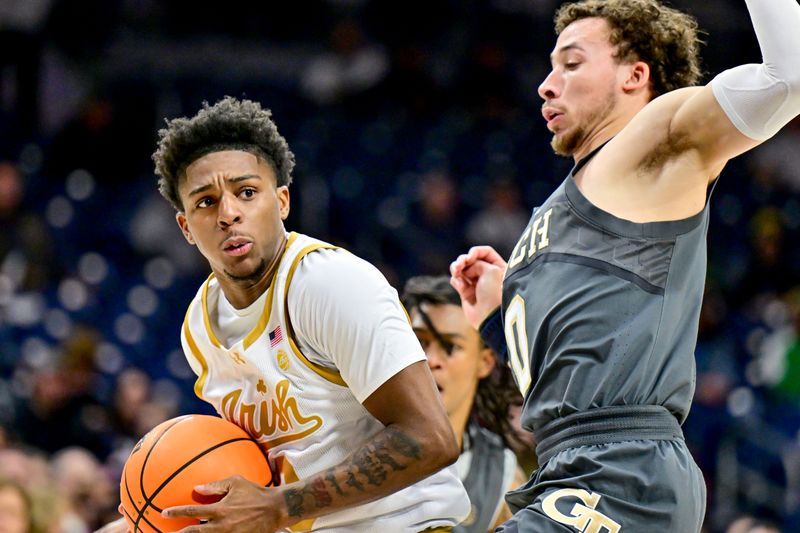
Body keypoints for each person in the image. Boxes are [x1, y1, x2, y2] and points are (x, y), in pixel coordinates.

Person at [449, 0, 800, 531]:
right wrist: (504, 307)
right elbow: (569, 375)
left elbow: (789, 77)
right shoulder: (556, 211)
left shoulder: (650, 141)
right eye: (549, 67)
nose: (546, 85)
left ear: (636, 75)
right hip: (568, 471)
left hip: (622, 473)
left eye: (571, 63)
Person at [99, 96, 469, 532]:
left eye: (247, 192)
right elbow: (254, 473)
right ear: (185, 227)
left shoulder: (328, 284)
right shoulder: (198, 326)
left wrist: (279, 506)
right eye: (205, 202)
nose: (229, 214)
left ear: (283, 202)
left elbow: (430, 439)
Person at [402, 276, 527, 533]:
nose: (429, 359)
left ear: (485, 363)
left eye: (450, 346)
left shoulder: (502, 479)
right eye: (419, 341)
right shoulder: (352, 436)